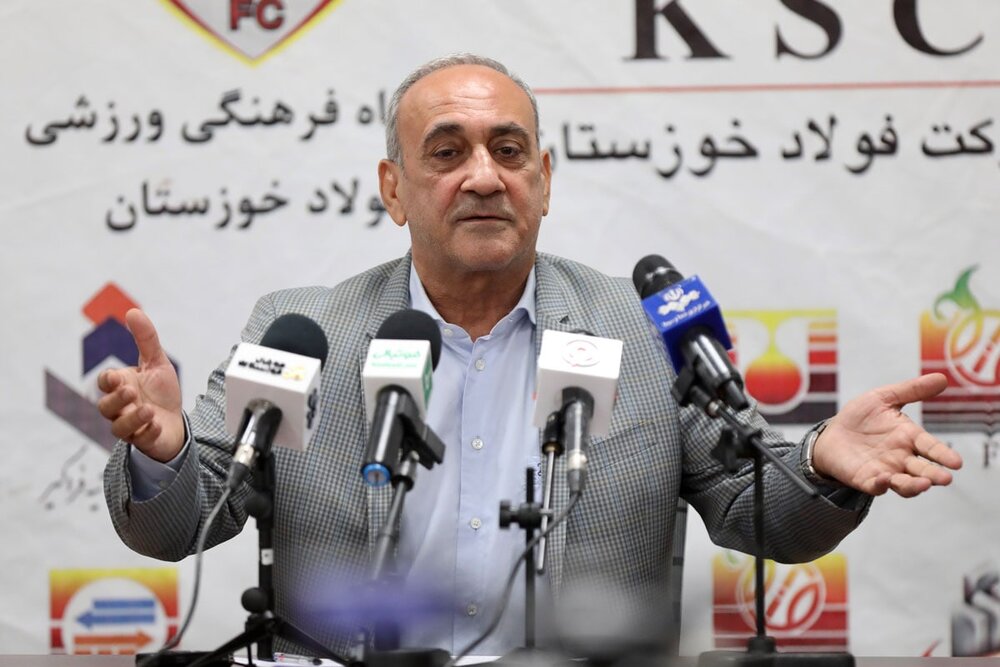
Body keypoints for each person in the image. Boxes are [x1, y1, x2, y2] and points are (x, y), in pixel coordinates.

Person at [100, 53, 962, 658]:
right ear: (393, 188)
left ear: (543, 179)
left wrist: (821, 461)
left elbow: (757, 507)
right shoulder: (303, 330)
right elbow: (184, 520)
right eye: (447, 152)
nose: (484, 176)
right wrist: (165, 452)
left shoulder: (640, 329)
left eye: (508, 151)